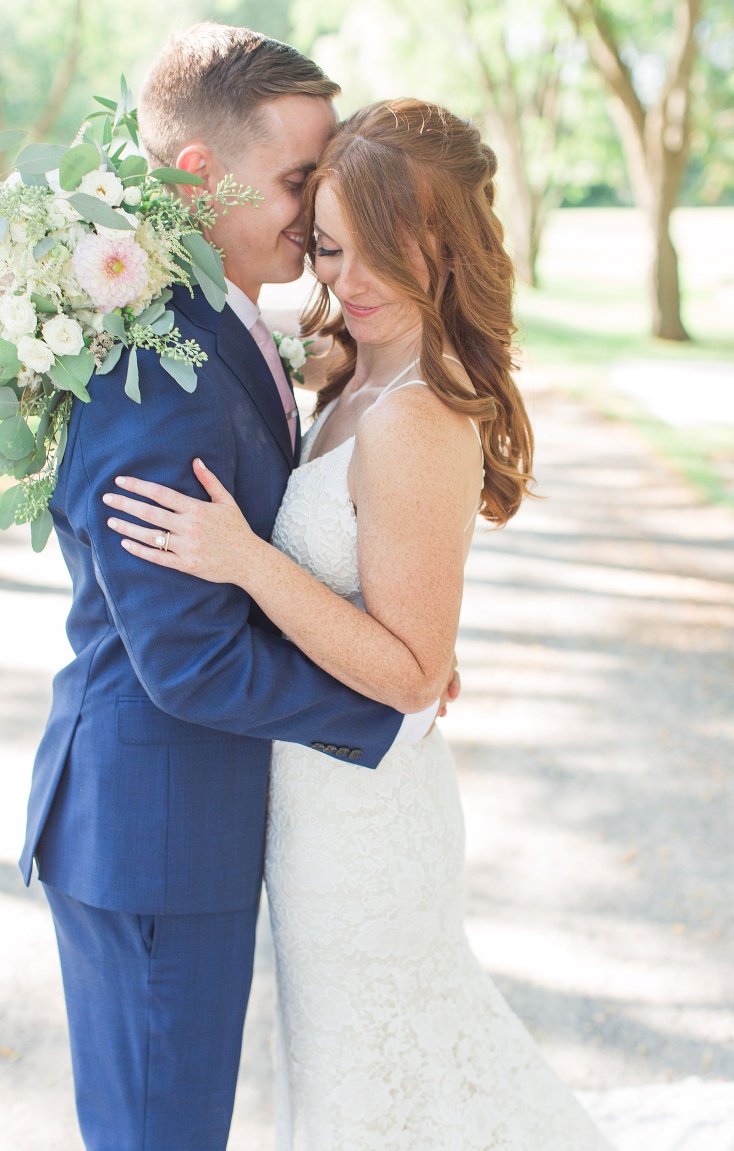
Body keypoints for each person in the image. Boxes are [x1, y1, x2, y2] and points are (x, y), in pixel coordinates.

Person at [104, 99, 614, 1149]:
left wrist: (245, 558)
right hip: (313, 803)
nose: (353, 281)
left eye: (388, 253)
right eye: (333, 249)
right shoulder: (346, 360)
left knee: (381, 1091)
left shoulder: (421, 410)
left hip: (369, 822)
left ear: (450, 246)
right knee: (357, 1083)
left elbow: (414, 676)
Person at [19, 27, 450, 1151]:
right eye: (301, 181)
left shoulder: (218, 325)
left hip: (170, 819)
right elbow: (191, 654)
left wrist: (381, 629)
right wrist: (388, 697)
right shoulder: (162, 373)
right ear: (203, 179)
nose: (318, 216)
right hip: (154, 829)